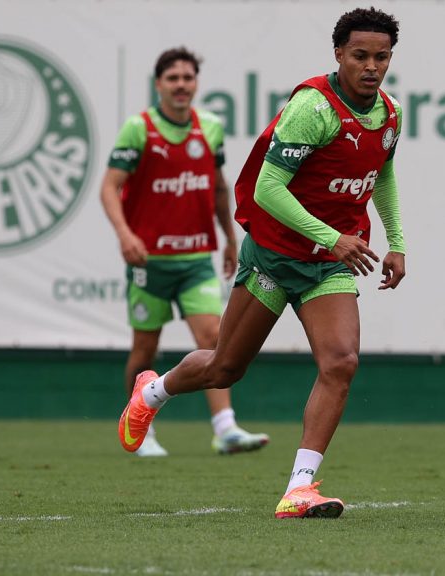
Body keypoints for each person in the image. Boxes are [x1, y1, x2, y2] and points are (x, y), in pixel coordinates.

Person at [116, 7, 407, 518]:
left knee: (341, 362)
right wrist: (332, 237)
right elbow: (268, 189)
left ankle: (299, 487)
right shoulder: (313, 109)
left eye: (381, 57)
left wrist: (397, 241)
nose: (371, 66)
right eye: (360, 56)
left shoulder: (390, 114)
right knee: (225, 368)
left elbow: (381, 174)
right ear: (338, 54)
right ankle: (153, 390)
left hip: (329, 265)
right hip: (276, 256)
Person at [101, 47, 269, 458]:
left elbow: (217, 187)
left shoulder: (209, 127)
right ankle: (141, 431)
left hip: (196, 258)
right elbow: (109, 187)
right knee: (145, 350)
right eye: (172, 78)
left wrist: (229, 238)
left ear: (196, 84)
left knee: (214, 337)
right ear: (158, 85)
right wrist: (125, 234)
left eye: (187, 78)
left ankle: (225, 428)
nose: (181, 85)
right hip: (149, 262)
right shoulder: (138, 129)